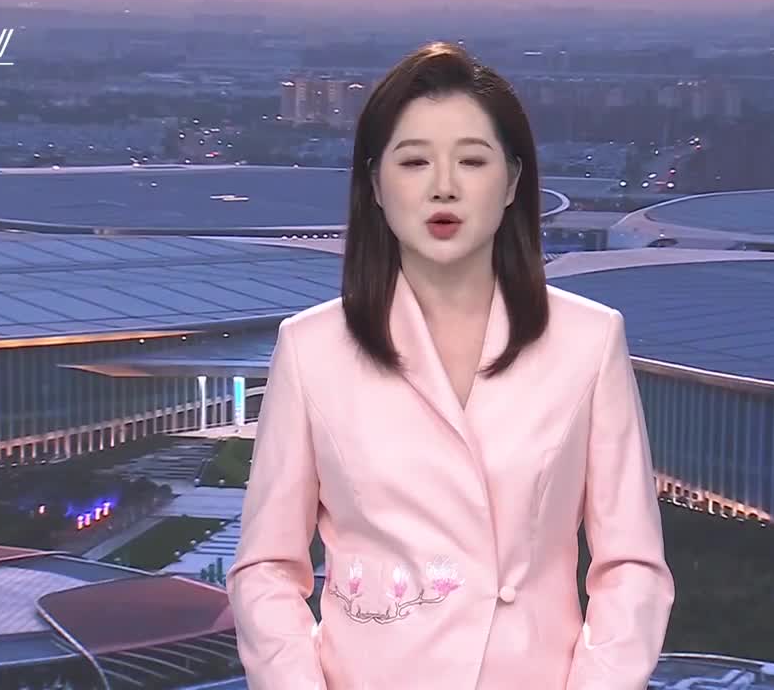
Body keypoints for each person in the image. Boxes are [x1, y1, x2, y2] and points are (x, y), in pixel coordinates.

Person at [226, 41, 674, 690]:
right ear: (375, 185)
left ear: (512, 182)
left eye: (472, 160)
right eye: (414, 162)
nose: (444, 187)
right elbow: (265, 569)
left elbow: (631, 567)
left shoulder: (588, 341)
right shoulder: (312, 349)